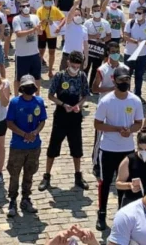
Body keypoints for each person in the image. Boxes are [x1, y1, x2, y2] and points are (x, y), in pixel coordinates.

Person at [94, 65, 143, 231]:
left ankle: (122, 214)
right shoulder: (106, 101)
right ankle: (101, 214)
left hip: (127, 149)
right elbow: (97, 123)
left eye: (127, 80)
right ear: (114, 80)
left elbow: (139, 123)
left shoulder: (135, 101)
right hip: (108, 148)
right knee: (105, 182)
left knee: (124, 183)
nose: (125, 83)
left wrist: (130, 130)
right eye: (122, 80)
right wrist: (117, 129)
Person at [40, 51, 90, 191]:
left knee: (77, 147)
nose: (75, 67)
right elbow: (50, 95)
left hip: (75, 115)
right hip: (61, 114)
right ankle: (47, 176)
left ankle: (78, 176)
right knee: (53, 146)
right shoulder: (60, 76)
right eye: (73, 64)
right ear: (68, 62)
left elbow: (86, 95)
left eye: (78, 64)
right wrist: (63, 104)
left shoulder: (82, 76)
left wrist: (78, 105)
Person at [4, 74, 47, 217]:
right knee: (14, 175)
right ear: (22, 88)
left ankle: (26, 198)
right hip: (18, 146)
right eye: (26, 86)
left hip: (34, 146)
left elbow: (42, 121)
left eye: (31, 86)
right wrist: (24, 134)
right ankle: (12, 200)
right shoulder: (15, 103)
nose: (29, 89)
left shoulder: (39, 101)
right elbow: (9, 123)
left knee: (29, 173)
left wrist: (34, 132)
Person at [115, 131, 146, 209]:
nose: (144, 152)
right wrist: (130, 185)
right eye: (141, 149)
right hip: (132, 200)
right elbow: (118, 184)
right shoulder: (129, 160)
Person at [123, 5, 146, 98]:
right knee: (127, 75)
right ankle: (126, 93)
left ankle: (137, 94)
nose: (137, 15)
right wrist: (134, 41)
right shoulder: (130, 22)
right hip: (129, 53)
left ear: (144, 14)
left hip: (142, 55)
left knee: (139, 76)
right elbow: (125, 36)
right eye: (136, 13)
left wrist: (143, 42)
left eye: (139, 13)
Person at [12, 0, 43, 83]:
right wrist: (33, 30)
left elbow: (40, 32)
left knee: (37, 77)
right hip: (22, 54)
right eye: (23, 6)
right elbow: (18, 34)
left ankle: (37, 95)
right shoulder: (16, 19)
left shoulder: (35, 17)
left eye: (27, 6)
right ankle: (16, 95)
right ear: (20, 8)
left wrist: (39, 29)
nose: (26, 8)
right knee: (19, 78)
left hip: (34, 53)